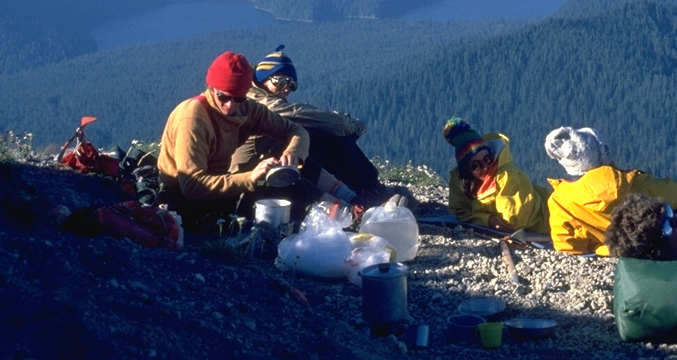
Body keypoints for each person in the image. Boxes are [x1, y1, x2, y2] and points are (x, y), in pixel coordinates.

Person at [157, 51, 313, 231]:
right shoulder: (193, 118)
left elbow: (295, 130)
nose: (231, 105)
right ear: (211, 88)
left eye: (239, 98)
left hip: (220, 193)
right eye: (223, 96)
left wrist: (293, 152)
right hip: (183, 203)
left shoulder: (247, 109)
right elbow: (192, 186)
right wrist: (250, 177)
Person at [239, 45, 403, 213]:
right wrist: (349, 125)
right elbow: (303, 115)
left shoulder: (259, 96)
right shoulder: (261, 103)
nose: (287, 88)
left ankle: (360, 195)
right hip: (253, 173)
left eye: (292, 85)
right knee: (328, 138)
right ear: (263, 78)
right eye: (281, 82)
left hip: (265, 162)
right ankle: (358, 198)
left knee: (312, 143)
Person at [544, 126, 677, 255]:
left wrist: (599, 249)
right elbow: (673, 193)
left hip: (616, 252)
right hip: (669, 244)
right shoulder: (633, 183)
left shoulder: (560, 201)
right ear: (600, 156)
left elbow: (567, 247)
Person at [443, 117, 550, 234]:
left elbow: (512, 222)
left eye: (487, 159)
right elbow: (459, 212)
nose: (484, 167)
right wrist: (487, 220)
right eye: (475, 165)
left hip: (548, 221)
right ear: (465, 169)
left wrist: (482, 219)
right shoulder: (460, 180)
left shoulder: (507, 175)